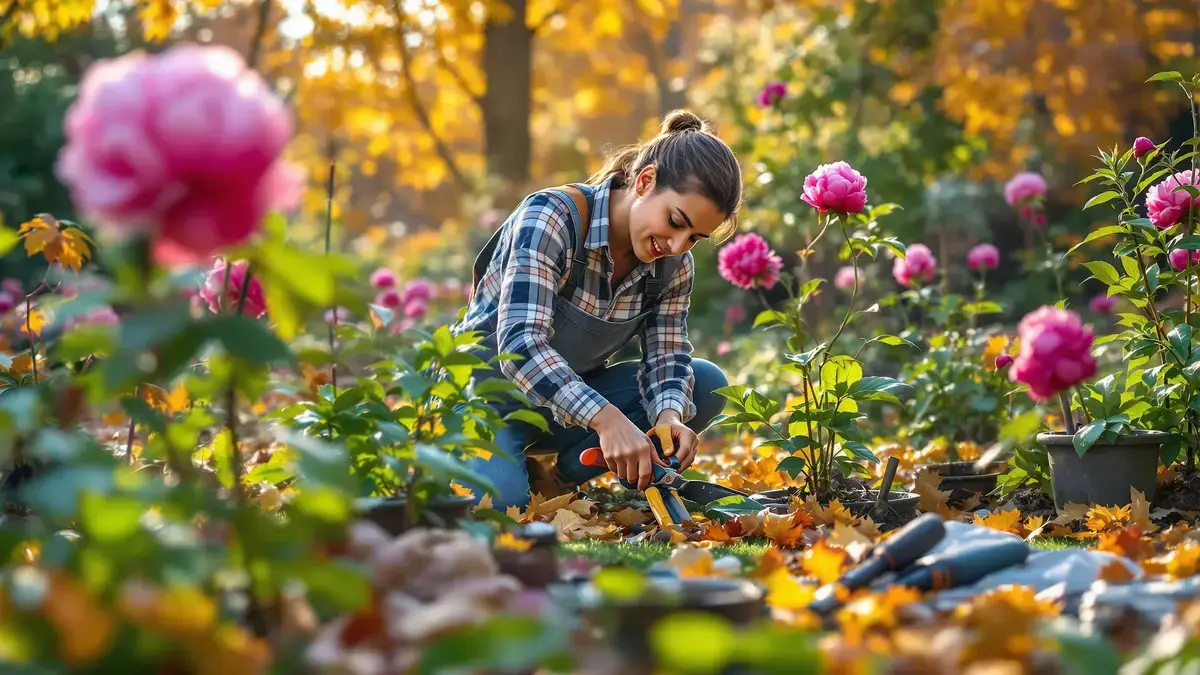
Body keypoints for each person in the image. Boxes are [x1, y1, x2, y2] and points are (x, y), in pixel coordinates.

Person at [454, 109, 743, 509]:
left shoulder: (674, 265)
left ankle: (562, 476)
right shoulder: (552, 218)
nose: (677, 246)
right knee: (497, 507)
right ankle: (498, 465)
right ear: (645, 181)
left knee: (706, 382)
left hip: (563, 410)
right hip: (482, 401)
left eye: (695, 237)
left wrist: (669, 417)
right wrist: (606, 419)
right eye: (676, 221)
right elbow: (520, 347)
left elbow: (666, 356)